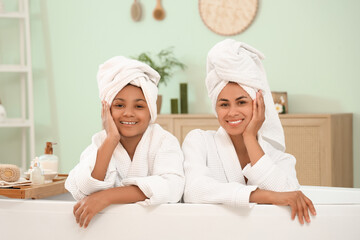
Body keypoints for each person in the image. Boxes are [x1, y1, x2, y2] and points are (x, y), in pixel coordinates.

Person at [182, 39, 316, 224]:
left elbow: (289, 194)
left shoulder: (278, 158)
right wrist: (263, 196)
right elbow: (194, 190)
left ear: (258, 104)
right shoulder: (199, 141)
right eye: (224, 104)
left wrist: (250, 137)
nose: (232, 112)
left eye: (242, 102)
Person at [65, 56, 185, 228]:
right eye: (119, 105)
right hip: (110, 229)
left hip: (157, 228)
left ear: (151, 111)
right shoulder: (101, 142)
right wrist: (111, 139)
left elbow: (171, 187)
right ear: (107, 110)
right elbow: (84, 188)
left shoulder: (163, 141)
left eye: (139, 106)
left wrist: (107, 197)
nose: (128, 113)